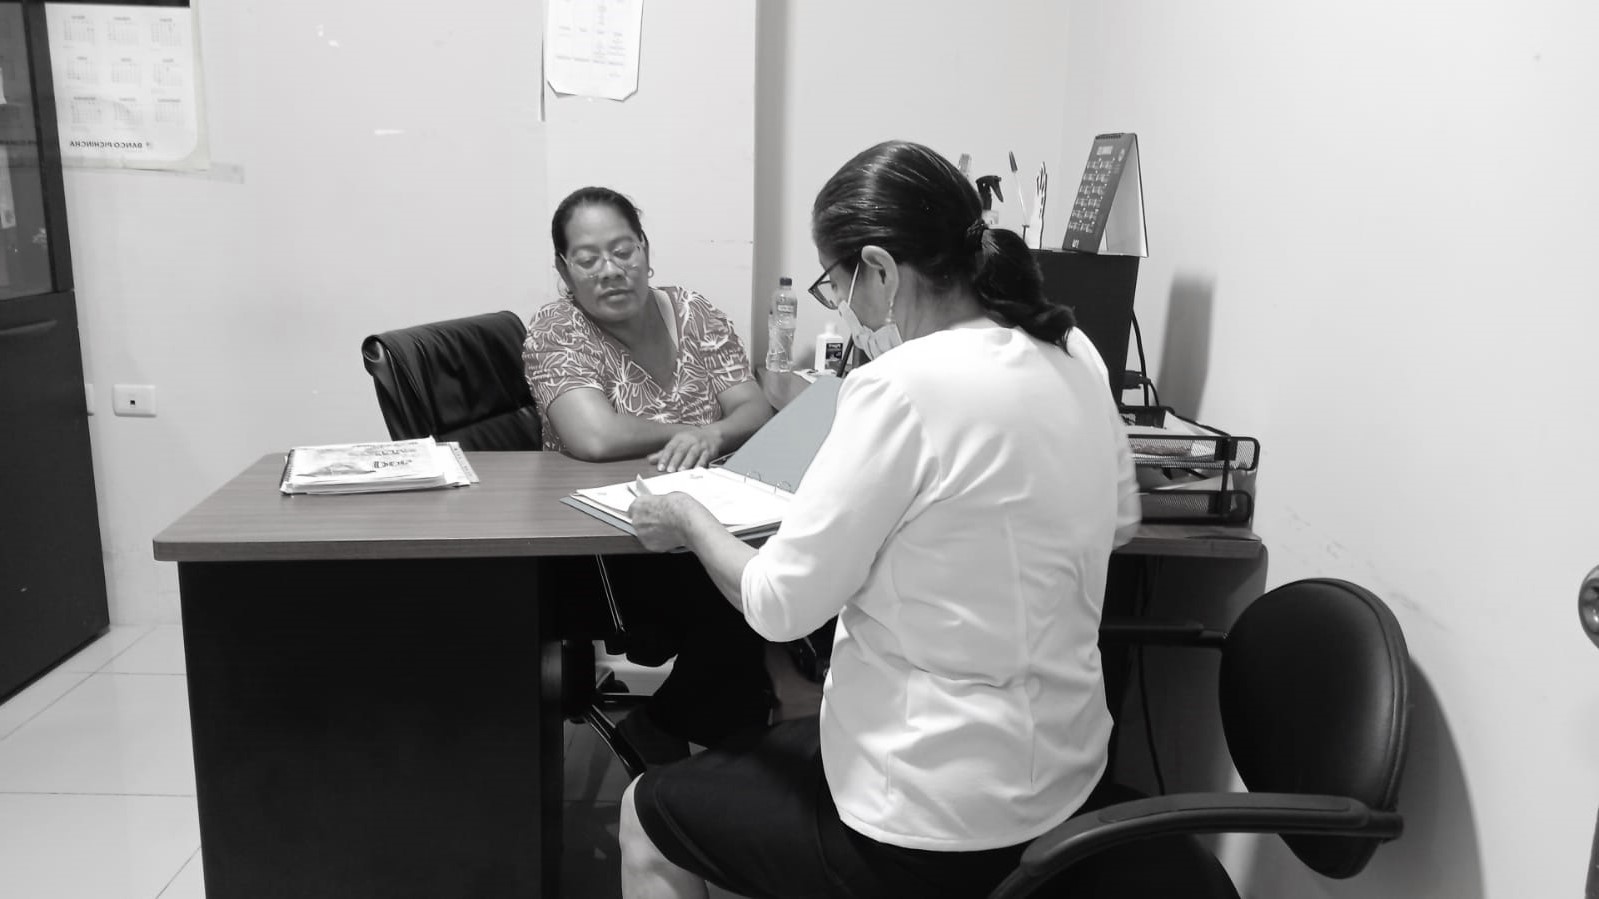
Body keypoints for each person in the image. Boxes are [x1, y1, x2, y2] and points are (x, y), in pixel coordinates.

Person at [617, 141, 1141, 898]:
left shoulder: (898, 386)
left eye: (836, 284)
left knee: (646, 814)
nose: (842, 306)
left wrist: (688, 516)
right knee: (765, 763)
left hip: (930, 813)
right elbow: (1119, 521)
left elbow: (778, 605)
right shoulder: (1073, 348)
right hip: (1064, 782)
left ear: (880, 269)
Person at [524, 186, 777, 761]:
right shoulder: (556, 330)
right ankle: (701, 749)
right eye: (588, 259)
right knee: (743, 593)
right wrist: (690, 429)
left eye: (623, 251)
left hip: (710, 518)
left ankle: (698, 738)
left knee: (784, 570)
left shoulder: (692, 311)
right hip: (616, 545)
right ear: (564, 271)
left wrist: (713, 436)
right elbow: (594, 436)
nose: (611, 270)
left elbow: (753, 406)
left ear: (645, 248)